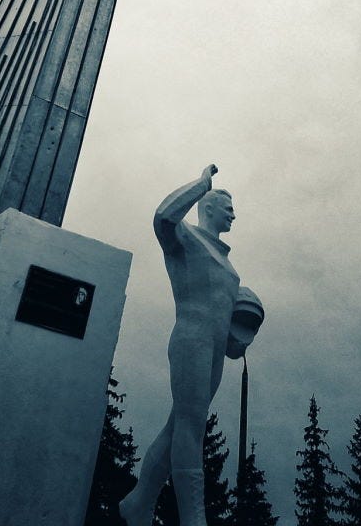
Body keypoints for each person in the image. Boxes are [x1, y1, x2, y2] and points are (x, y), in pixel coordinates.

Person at [119, 163, 262, 526]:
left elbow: (231, 335)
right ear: (208, 207)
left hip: (213, 349)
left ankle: (138, 503)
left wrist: (242, 330)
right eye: (228, 208)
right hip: (190, 339)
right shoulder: (186, 239)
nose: (234, 214)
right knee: (191, 425)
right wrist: (201, 185)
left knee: (180, 425)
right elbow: (163, 217)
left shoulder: (231, 270)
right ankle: (193, 518)